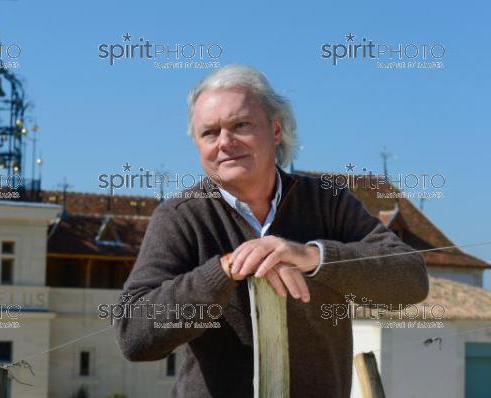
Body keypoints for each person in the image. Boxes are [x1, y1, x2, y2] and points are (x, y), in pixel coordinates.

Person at [116, 64, 429, 397]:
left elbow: (411, 280)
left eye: (241, 125)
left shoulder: (328, 201)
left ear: (276, 130)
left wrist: (313, 257)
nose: (225, 142)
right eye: (209, 132)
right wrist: (226, 269)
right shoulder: (181, 217)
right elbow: (134, 335)